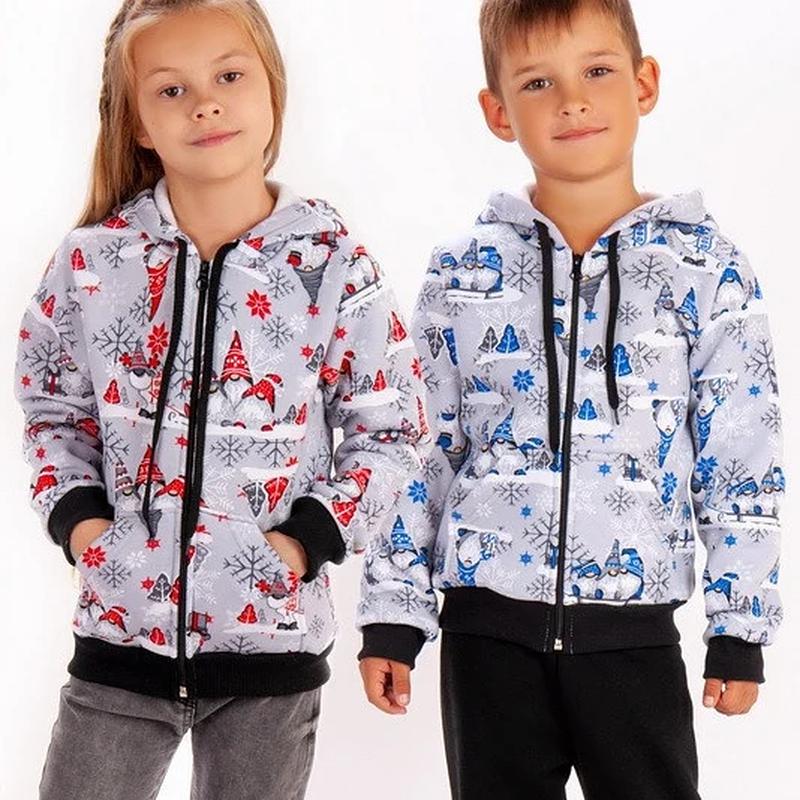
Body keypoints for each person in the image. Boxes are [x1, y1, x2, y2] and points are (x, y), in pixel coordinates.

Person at [356, 1, 784, 798]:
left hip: (633, 638)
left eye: (597, 71)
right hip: (487, 634)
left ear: (644, 83)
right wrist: (393, 612)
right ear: (498, 112)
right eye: (537, 82)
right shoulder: (462, 273)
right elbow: (423, 450)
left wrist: (739, 629)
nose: (572, 101)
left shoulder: (706, 268)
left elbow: (741, 456)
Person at [15, 2, 427, 798]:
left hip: (270, 649)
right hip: (120, 640)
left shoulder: (330, 261)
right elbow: (53, 409)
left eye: (229, 77)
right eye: (171, 90)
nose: (205, 104)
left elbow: (390, 428)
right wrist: (84, 526)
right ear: (138, 124)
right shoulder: (93, 261)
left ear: (271, 89)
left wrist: (304, 543)